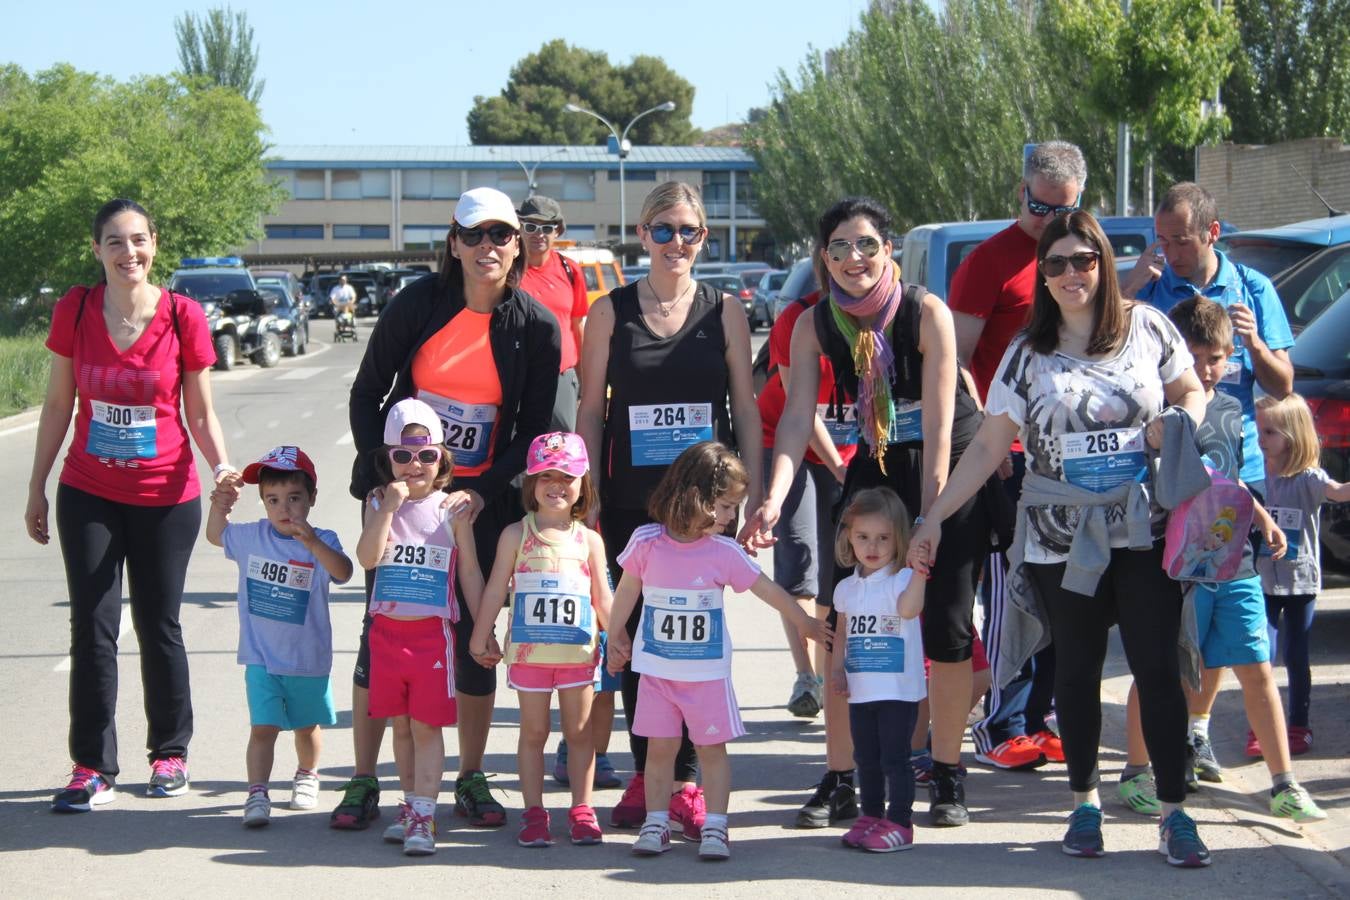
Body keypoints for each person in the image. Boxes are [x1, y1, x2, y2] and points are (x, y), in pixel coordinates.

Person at [908, 210, 1216, 866]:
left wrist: (1176, 418)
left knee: (1157, 670)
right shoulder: (1026, 353)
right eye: (1057, 264)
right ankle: (1084, 805)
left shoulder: (1147, 327)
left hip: (1142, 530)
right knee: (1074, 675)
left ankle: (1174, 813)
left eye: (1084, 260)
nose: (1072, 273)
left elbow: (1192, 388)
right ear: (1043, 276)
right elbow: (992, 440)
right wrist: (933, 515)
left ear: (1104, 263)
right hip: (1058, 539)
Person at [753, 196, 989, 828]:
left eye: (865, 245)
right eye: (838, 247)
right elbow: (797, 417)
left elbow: (940, 424)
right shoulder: (813, 324)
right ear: (822, 257)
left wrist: (933, 518)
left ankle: (947, 774)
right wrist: (773, 498)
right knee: (843, 622)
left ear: (887, 250)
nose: (852, 258)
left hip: (945, 469)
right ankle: (840, 777)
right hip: (876, 461)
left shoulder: (924, 312)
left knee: (945, 627)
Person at [342, 187, 560, 831]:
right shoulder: (418, 304)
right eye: (474, 235)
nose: (487, 247)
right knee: (382, 630)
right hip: (406, 492)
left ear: (517, 244)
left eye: (500, 235)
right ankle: (361, 779)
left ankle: (469, 774)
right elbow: (367, 393)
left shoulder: (536, 325)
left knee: (474, 633)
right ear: (454, 243)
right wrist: (389, 477)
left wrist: (482, 490)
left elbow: (530, 427)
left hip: (479, 495)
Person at [30, 198, 235, 813]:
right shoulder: (77, 308)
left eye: (139, 240)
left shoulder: (182, 315)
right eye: (115, 243)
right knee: (91, 627)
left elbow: (199, 410)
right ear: (96, 250)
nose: (129, 253)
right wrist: (36, 485)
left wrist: (221, 465)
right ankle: (91, 766)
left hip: (166, 496)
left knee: (158, 623)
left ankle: (169, 752)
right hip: (88, 489)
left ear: (155, 244)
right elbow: (57, 406)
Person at [577, 181, 762, 835]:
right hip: (632, 500)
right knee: (633, 638)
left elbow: (744, 409)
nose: (675, 242)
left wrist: (752, 495)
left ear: (703, 237)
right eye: (663, 229)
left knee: (692, 635)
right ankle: (644, 775)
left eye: (688, 230)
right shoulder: (608, 312)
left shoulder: (725, 312)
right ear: (642, 232)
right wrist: (585, 493)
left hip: (705, 507)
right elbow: (591, 412)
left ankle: (684, 781)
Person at [1115, 297, 1324, 825]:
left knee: (1255, 668)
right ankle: (1138, 771)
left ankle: (1284, 783)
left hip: (1236, 565)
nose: (1209, 370)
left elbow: (1228, 480)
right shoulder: (1162, 415)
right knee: (1164, 670)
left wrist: (1263, 520)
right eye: (1199, 357)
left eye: (1218, 359)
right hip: (1178, 569)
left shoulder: (1233, 411)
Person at [1127, 181, 1295, 783]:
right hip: (1172, 484)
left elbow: (1282, 384)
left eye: (1181, 239)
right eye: (1161, 238)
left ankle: (1197, 733)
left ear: (1212, 233)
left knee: (1223, 614)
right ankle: (1149, 756)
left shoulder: (1253, 289)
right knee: (1174, 621)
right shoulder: (1148, 287)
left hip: (1238, 484)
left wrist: (1251, 343)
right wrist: (1129, 288)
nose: (1168, 250)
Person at [605, 442, 830, 860]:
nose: (732, 518)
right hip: (656, 674)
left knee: (711, 751)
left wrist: (806, 624)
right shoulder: (647, 542)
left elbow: (768, 591)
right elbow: (627, 591)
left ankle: (716, 826)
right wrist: (615, 635)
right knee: (658, 751)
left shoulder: (723, 553)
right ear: (698, 497)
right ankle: (657, 822)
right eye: (727, 507)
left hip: (706, 678)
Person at [949, 141, 1087, 771]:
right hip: (1005, 454)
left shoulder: (1081, 256)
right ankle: (1003, 722)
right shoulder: (989, 262)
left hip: (1070, 454)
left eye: (1061, 208)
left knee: (1068, 586)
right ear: (1021, 193)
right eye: (1037, 205)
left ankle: (1047, 715)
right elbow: (955, 362)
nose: (1047, 218)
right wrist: (990, 438)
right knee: (1011, 587)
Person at [469, 431, 613, 848]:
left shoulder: (590, 540)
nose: (556, 485)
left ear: (582, 484)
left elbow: (602, 598)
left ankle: (582, 809)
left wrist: (618, 640)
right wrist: (482, 635)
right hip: (530, 657)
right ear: (530, 483)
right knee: (533, 733)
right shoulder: (516, 535)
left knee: (581, 733)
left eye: (566, 476)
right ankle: (534, 812)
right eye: (545, 475)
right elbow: (497, 589)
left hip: (578, 655)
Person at [354, 398, 485, 856]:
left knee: (428, 727)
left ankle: (425, 815)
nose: (415, 466)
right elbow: (368, 558)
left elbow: (469, 571)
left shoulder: (451, 509)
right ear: (387, 459)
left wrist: (481, 627)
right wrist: (387, 509)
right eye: (403, 456)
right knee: (402, 727)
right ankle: (410, 805)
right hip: (387, 636)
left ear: (442, 459)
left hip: (431, 637)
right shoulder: (376, 502)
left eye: (427, 456)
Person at [206, 446, 354, 827]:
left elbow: (343, 572)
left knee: (307, 727)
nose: (283, 508)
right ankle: (257, 792)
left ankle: (307, 775)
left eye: (293, 498)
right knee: (262, 728)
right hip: (261, 658)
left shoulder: (323, 539)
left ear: (311, 499)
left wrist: (312, 544)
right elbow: (215, 535)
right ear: (262, 502)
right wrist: (221, 502)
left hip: (307, 658)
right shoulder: (253, 536)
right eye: (272, 500)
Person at [757, 280, 860, 828]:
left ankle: (831, 671)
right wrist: (837, 465)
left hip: (854, 452)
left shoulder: (876, 319)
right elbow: (800, 405)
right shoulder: (795, 320)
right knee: (797, 564)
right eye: (834, 253)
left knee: (837, 580)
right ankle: (807, 679)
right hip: (792, 444)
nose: (846, 267)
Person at [830, 488, 926, 854]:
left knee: (894, 758)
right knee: (866, 757)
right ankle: (870, 815)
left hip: (897, 692)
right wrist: (838, 670)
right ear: (848, 537)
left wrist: (918, 573)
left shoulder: (901, 580)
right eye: (863, 537)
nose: (872, 546)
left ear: (898, 538)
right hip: (862, 689)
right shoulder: (846, 588)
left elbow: (908, 611)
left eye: (883, 538)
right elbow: (841, 634)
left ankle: (900, 821)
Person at [1256, 392, 1350, 756]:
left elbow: (1338, 492)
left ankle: (1298, 724)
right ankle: (1262, 724)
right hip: (1262, 578)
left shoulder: (1307, 478)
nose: (1260, 440)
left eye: (1269, 432)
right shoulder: (1256, 474)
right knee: (1261, 654)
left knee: (1297, 655)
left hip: (1300, 581)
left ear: (1293, 436)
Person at [517, 195, 590, 432]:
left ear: (557, 231)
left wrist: (585, 383)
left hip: (561, 379)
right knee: (516, 457)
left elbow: (577, 326)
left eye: (547, 227)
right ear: (519, 228)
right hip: (518, 378)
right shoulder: (506, 271)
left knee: (562, 455)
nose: (539, 234)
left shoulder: (570, 270)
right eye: (530, 226)